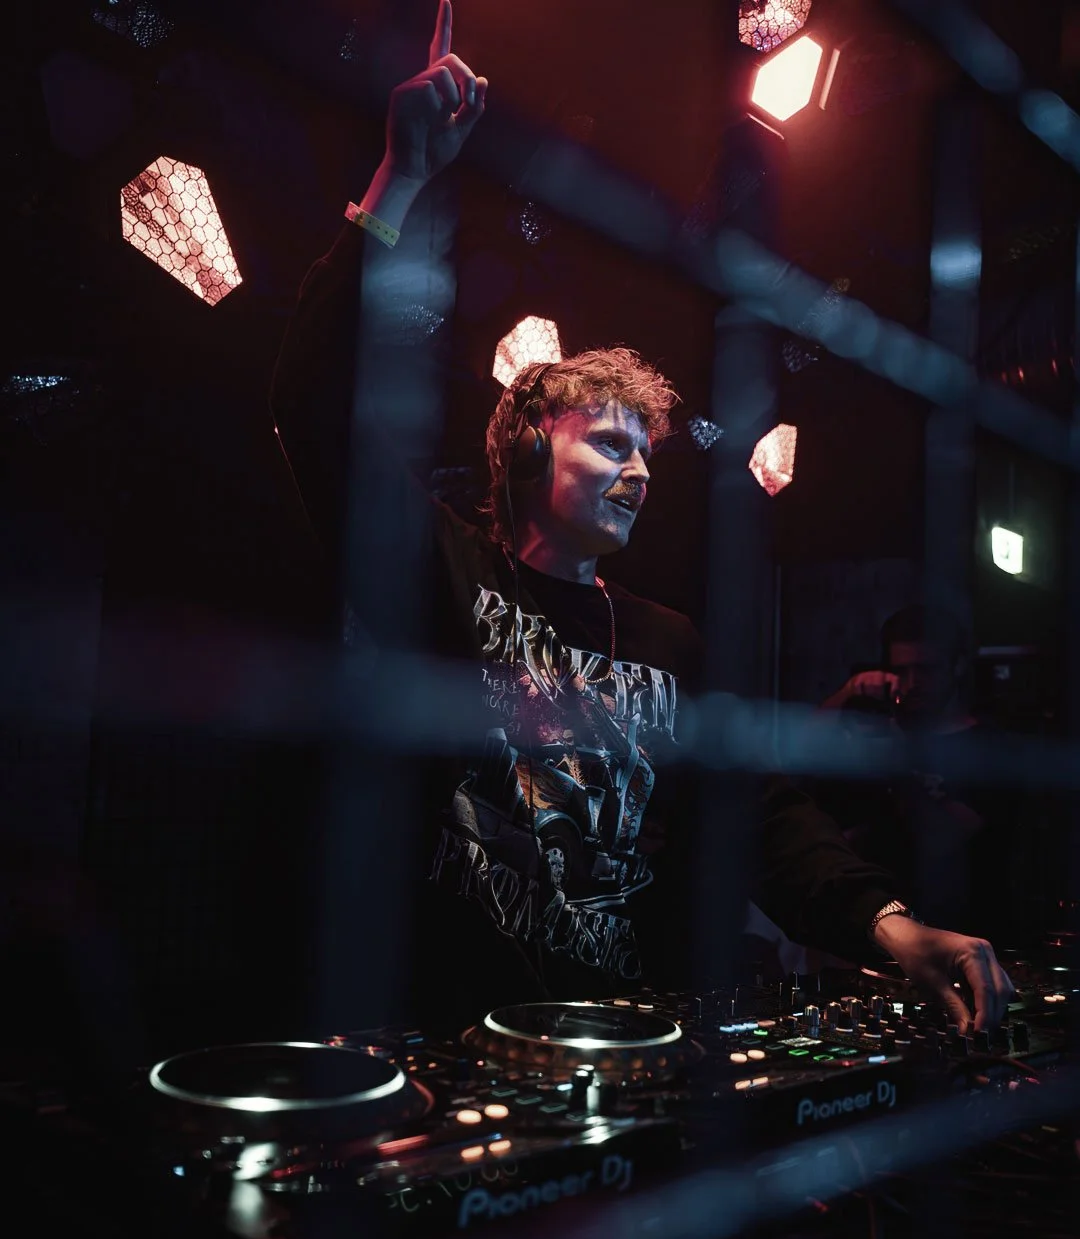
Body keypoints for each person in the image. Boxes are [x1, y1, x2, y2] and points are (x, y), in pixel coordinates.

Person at [270, 0, 1012, 1032]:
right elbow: (315, 406)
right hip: (449, 1043)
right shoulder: (447, 574)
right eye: (612, 445)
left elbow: (758, 816)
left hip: (625, 1045)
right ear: (532, 453)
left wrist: (890, 924)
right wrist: (404, 176)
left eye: (647, 453)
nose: (639, 472)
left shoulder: (669, 642)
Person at [819, 604, 1035, 944]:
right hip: (878, 933)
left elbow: (946, 834)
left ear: (957, 666)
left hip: (963, 934)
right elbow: (800, 755)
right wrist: (849, 693)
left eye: (925, 670)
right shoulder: (884, 734)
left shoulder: (992, 748)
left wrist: (897, 757)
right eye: (900, 670)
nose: (912, 683)